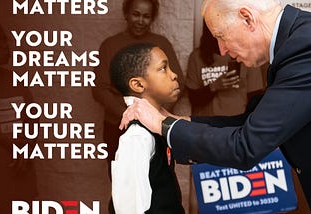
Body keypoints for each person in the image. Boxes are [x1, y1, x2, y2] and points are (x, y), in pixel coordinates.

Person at [119, 0, 311, 208]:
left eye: (221, 36)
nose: (222, 49)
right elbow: (252, 121)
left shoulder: (303, 48)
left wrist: (164, 125)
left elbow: (245, 145)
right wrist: (178, 121)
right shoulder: (293, 42)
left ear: (247, 18)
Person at [92, 0, 184, 173]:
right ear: (126, 14)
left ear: (152, 19)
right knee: (122, 183)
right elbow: (99, 89)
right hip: (118, 126)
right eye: (136, 14)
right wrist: (131, 116)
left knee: (158, 179)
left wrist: (157, 115)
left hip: (156, 125)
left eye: (146, 16)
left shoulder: (161, 44)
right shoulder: (110, 45)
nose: (140, 20)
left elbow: (178, 84)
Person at [186, 21, 265, 213]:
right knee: (202, 194)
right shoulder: (197, 57)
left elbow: (256, 99)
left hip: (236, 137)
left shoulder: (244, 55)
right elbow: (193, 98)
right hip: (204, 135)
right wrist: (215, 86)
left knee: (237, 197)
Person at [110, 43, 184, 213]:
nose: (174, 75)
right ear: (138, 85)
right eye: (163, 68)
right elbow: (130, 207)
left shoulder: (155, 125)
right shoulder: (137, 135)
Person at [0, 19, 38, 214]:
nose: (5, 45)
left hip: (20, 176)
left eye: (5, 40)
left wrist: (27, 148)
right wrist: (2, 140)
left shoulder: (16, 80)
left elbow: (33, 120)